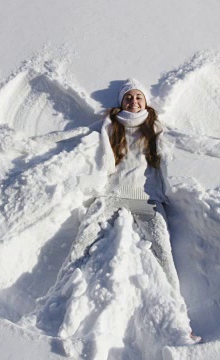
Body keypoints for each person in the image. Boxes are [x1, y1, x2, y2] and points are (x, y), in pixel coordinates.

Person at [61, 78, 201, 343]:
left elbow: (190, 143)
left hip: (144, 198)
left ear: (145, 102)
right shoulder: (109, 125)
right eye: (128, 98)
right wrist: (25, 143)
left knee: (162, 251)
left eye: (138, 97)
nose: (133, 102)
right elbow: (73, 137)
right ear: (121, 102)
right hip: (111, 194)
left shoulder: (156, 127)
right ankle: (59, 302)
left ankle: (181, 322)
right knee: (82, 242)